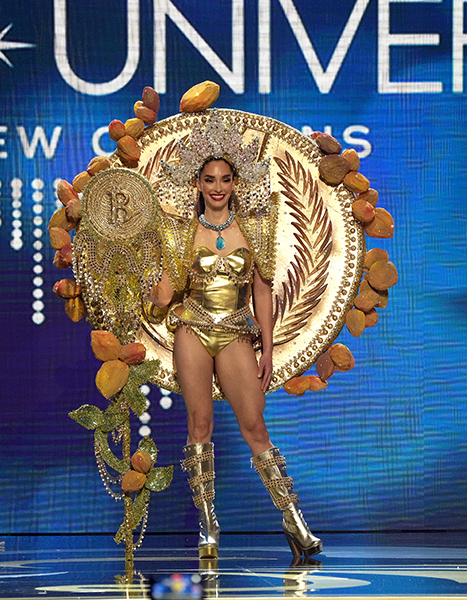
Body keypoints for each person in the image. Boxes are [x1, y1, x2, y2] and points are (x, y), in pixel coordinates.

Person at [147, 112, 322, 561]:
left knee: (254, 425)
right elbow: (167, 292)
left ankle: (293, 518)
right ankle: (208, 524)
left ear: (235, 181)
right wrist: (146, 280)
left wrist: (266, 345)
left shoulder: (255, 227)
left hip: (236, 332)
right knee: (199, 425)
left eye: (225, 178)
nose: (218, 187)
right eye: (210, 179)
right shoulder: (181, 231)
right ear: (198, 184)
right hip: (192, 329)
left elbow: (263, 289)